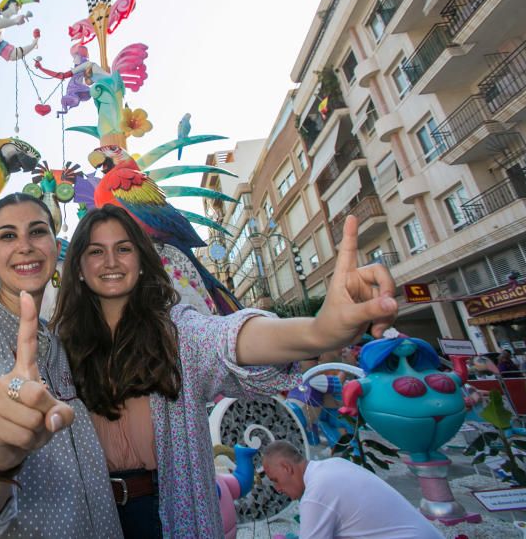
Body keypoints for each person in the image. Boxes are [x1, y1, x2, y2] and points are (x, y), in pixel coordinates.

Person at [50, 205, 400, 538]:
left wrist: (319, 332)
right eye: (96, 251)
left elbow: (229, 337)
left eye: (123, 248)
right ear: (79, 266)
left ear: (142, 261)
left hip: (163, 511)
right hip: (88, 515)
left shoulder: (179, 333)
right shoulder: (57, 349)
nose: (110, 261)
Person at [0, 193, 122, 537]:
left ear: (54, 246)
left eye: (37, 232)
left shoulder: (56, 342)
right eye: (8, 236)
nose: (25, 246)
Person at [261, 440, 442, 539]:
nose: (277, 488)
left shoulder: (316, 493)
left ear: (286, 467)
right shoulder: (333, 464)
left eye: (275, 480)